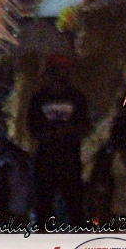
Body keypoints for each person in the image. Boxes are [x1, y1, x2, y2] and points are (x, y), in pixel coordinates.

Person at [28, 54, 89, 225]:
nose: (62, 74)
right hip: (46, 160)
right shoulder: (39, 98)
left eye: (64, 70)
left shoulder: (76, 97)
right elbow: (33, 127)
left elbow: (84, 125)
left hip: (69, 159)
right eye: (58, 70)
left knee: (74, 206)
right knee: (43, 207)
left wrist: (68, 131)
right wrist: (49, 134)